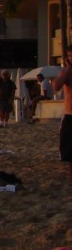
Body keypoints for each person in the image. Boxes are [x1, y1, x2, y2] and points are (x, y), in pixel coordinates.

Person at [51, 48, 72, 186]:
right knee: (69, 153)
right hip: (70, 116)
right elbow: (56, 86)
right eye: (69, 55)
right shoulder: (66, 72)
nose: (69, 58)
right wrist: (66, 70)